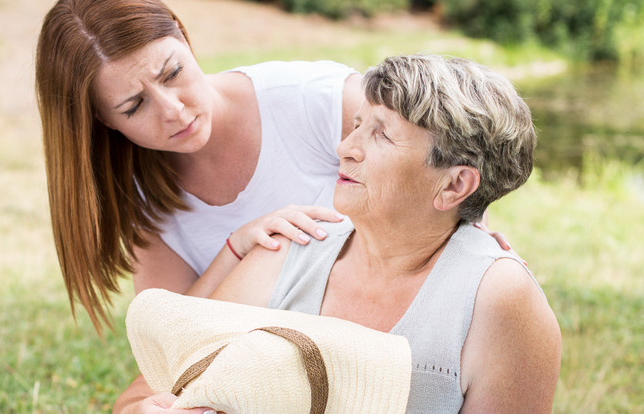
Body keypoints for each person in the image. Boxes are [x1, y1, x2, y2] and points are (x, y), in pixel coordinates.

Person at [34, 0, 514, 411]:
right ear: (101, 121)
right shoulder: (138, 197)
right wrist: (237, 248)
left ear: (183, 35)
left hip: (381, 346)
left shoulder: (314, 101)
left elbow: (440, 164)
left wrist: (471, 236)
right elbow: (172, 343)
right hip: (270, 375)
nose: (173, 110)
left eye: (173, 72)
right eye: (135, 106)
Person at [207, 55, 562, 412]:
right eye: (357, 125)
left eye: (382, 135)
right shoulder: (287, 248)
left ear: (454, 185)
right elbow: (177, 385)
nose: (345, 148)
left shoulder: (498, 299)